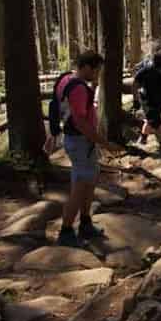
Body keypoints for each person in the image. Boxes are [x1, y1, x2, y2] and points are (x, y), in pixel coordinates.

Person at [54, 50, 122, 248]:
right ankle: (66, 231)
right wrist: (105, 143)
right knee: (80, 187)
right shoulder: (78, 89)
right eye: (95, 70)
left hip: (80, 142)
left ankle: (85, 223)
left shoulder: (66, 79)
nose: (97, 74)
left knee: (88, 181)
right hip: (80, 142)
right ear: (85, 67)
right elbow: (81, 122)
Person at [133, 52, 161, 153]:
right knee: (156, 121)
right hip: (147, 99)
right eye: (158, 67)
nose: (160, 69)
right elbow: (135, 84)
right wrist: (136, 100)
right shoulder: (146, 69)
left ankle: (142, 138)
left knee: (151, 120)